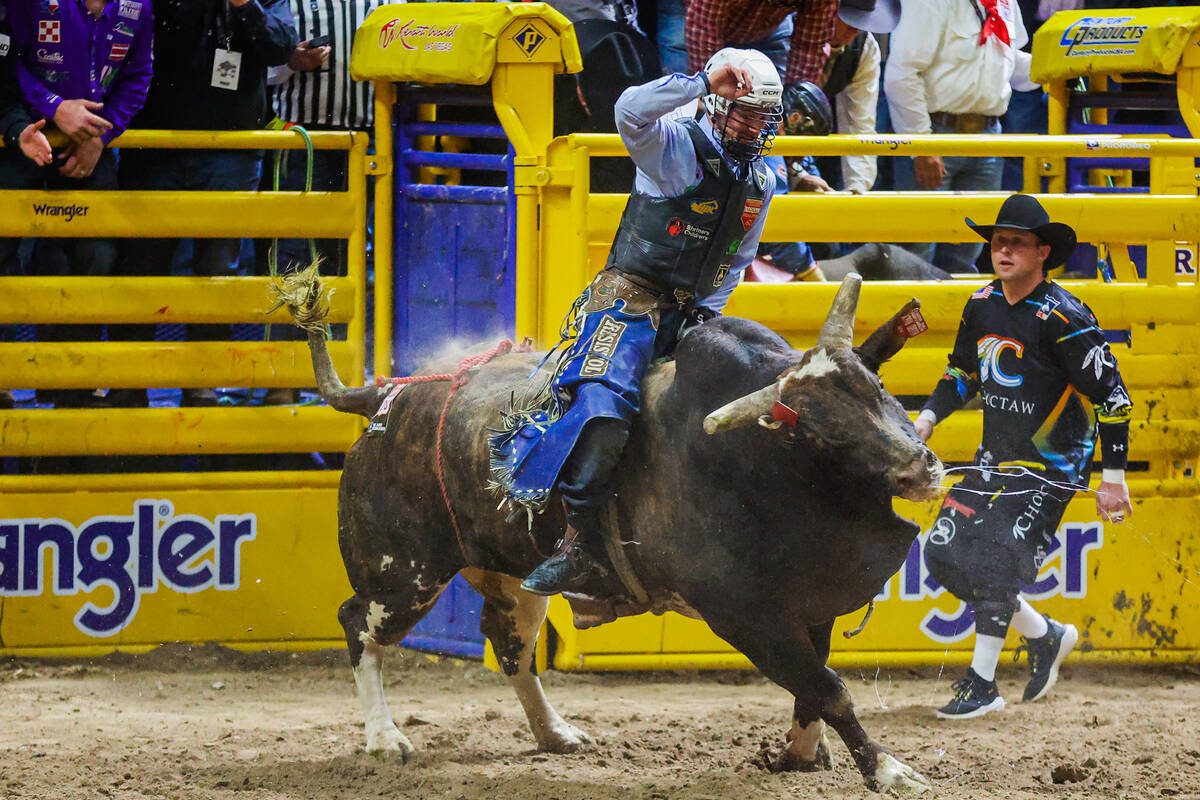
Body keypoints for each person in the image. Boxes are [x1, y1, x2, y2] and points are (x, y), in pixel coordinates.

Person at [489, 48, 783, 595]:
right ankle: (577, 543)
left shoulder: (762, 178)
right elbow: (628, 111)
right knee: (605, 407)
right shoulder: (674, 146)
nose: (753, 123)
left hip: (696, 312)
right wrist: (698, 82)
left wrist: (706, 321)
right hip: (629, 303)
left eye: (761, 115)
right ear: (717, 104)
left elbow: (736, 261)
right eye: (742, 110)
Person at [914, 194, 1134, 719]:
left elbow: (1113, 398)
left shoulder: (1066, 317)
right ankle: (1044, 635)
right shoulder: (981, 303)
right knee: (943, 553)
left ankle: (982, 684)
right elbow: (962, 372)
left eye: (1016, 242)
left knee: (995, 561)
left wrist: (1114, 478)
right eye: (998, 241)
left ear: (1042, 253)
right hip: (994, 457)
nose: (1004, 249)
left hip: (1052, 462)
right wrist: (925, 420)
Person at [112, 0, 297, 407]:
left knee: (216, 270)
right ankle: (129, 379)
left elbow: (281, 47)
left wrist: (244, 5)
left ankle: (203, 382)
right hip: (155, 147)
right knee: (143, 266)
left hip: (230, 150)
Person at [3, 0, 153, 407]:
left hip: (89, 152)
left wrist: (99, 139)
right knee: (9, 258)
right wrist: (53, 108)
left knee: (95, 260)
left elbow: (138, 76)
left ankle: (74, 384)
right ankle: (6, 378)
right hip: (22, 140)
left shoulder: (137, 6)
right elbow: (6, 63)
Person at [884, 0, 1035, 272]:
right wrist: (921, 146)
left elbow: (1012, 63)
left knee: (969, 249)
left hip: (988, 138)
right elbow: (902, 72)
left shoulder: (1004, 2)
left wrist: (1060, 63)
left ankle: (958, 315)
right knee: (917, 251)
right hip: (936, 134)